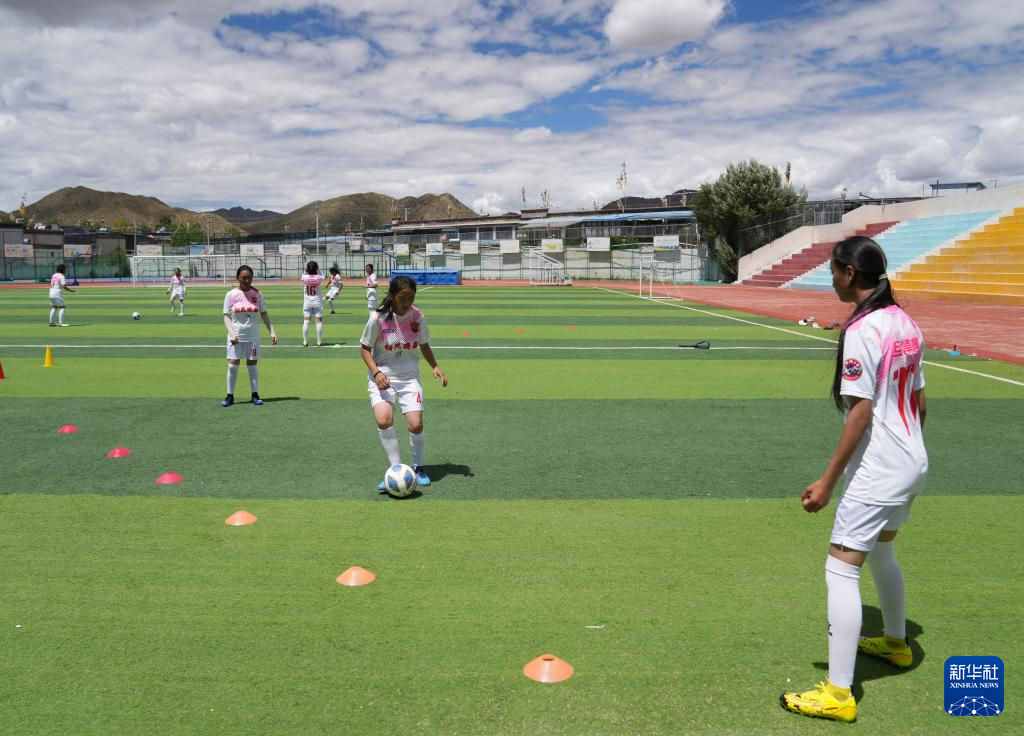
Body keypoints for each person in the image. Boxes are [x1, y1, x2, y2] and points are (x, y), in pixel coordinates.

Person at [781, 236, 927, 723]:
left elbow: (861, 412)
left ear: (848, 273)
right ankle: (895, 643)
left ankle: (839, 694)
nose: (832, 279)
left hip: (882, 467)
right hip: (910, 459)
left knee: (840, 569)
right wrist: (905, 455)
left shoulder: (865, 330)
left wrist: (827, 481)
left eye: (833, 271)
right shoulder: (905, 321)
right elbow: (919, 401)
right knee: (882, 551)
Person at [360, 275, 447, 490]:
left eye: (411, 297)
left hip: (409, 376)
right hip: (383, 376)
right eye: (403, 298)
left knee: (415, 424)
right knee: (383, 419)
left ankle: (418, 467)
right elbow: (364, 349)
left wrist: (435, 366)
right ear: (393, 295)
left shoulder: (417, 316)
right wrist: (377, 372)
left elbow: (424, 344)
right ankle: (396, 470)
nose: (407, 302)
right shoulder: (378, 317)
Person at [222, 265, 277, 407]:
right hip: (235, 337)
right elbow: (226, 316)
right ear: (238, 278)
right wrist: (232, 334)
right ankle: (229, 396)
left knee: (252, 366)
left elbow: (264, 313)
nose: (246, 281)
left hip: (252, 337)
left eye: (249, 278)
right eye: (243, 278)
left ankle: (255, 394)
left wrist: (272, 331)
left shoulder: (257, 294)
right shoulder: (231, 295)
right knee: (233, 366)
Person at [300, 260, 328, 347]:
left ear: (308, 269)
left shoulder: (304, 277)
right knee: (318, 322)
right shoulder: (318, 277)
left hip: (307, 302)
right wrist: (318, 268)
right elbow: (323, 275)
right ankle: (319, 341)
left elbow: (303, 274)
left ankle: (305, 341)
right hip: (317, 302)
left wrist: (306, 270)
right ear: (316, 268)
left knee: (306, 322)